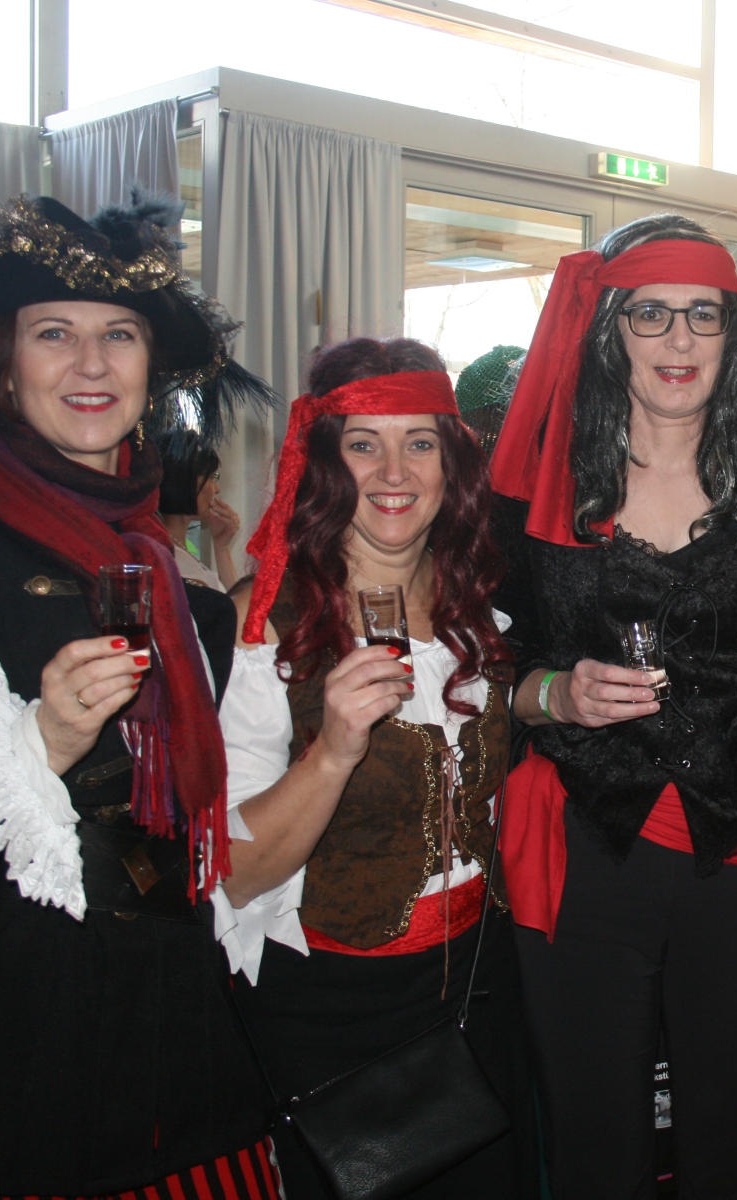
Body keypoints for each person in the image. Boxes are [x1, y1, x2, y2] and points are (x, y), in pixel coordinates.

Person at [0, 194, 278, 1195]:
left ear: (149, 369)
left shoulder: (189, 600)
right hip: (6, 1052)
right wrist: (33, 748)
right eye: (54, 333)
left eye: (118, 335)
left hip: (183, 1042)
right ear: (2, 364)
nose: (92, 363)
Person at [487, 213, 737, 1199]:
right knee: (596, 1144)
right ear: (610, 330)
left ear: (733, 333)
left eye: (703, 315)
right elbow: (487, 662)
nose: (679, 339)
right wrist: (554, 694)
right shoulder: (540, 479)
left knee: (730, 1145)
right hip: (591, 846)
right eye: (651, 314)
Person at [213, 336, 535, 1197]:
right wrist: (333, 753)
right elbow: (235, 872)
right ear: (324, 463)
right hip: (335, 1009)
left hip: (479, 986)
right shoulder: (267, 622)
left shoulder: (480, 605)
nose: (395, 472)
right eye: (364, 445)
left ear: (452, 463)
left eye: (419, 443)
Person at [159, 429, 241, 589]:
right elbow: (237, 605)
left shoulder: (179, 549)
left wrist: (221, 546)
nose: (217, 489)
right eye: (212, 477)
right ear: (189, 481)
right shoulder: (172, 558)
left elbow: (234, 601)